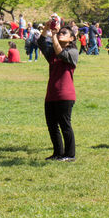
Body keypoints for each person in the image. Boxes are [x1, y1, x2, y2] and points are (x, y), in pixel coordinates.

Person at [38, 25, 78, 161]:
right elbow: (41, 42)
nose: (60, 34)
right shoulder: (52, 53)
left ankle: (70, 155)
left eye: (64, 33)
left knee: (65, 125)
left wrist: (54, 35)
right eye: (60, 33)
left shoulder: (73, 52)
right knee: (52, 126)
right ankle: (58, 153)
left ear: (72, 38)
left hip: (65, 95)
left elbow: (61, 54)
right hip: (51, 94)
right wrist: (46, 27)